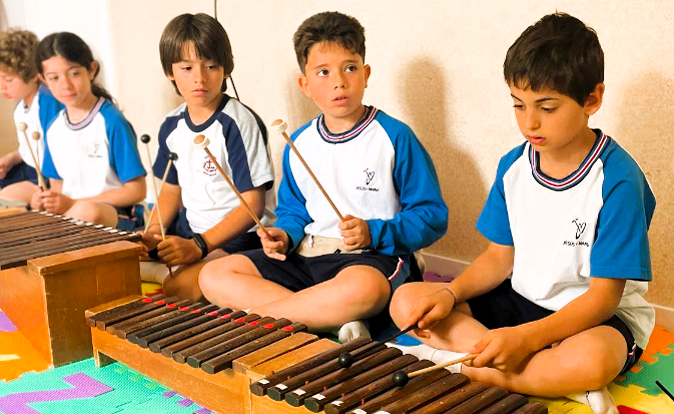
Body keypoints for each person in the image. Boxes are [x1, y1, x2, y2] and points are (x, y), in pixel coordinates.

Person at [389, 12, 655, 414]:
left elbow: (604, 298)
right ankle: (540, 378)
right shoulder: (514, 167)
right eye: (518, 104)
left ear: (592, 99)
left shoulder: (618, 181)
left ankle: (474, 367)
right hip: (521, 301)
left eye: (546, 107)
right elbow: (499, 258)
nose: (529, 122)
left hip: (593, 318)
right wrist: (450, 293)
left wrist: (526, 338)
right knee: (408, 300)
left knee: (594, 360)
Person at [199, 11, 448, 342]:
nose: (339, 81)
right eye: (323, 72)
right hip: (307, 258)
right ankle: (327, 320)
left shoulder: (394, 137)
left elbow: (432, 216)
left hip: (369, 260)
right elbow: (293, 212)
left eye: (350, 68)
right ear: (305, 84)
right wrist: (284, 236)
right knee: (214, 274)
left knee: (365, 288)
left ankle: (270, 321)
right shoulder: (297, 142)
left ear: (366, 73)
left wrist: (374, 232)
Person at [140, 13, 275, 302]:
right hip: (194, 235)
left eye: (210, 66)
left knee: (177, 289)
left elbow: (254, 204)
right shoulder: (171, 124)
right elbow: (170, 191)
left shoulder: (238, 123)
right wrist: (154, 229)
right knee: (119, 270)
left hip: (241, 240)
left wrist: (200, 246)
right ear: (170, 72)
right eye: (186, 67)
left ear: (226, 68)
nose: (199, 78)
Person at [31, 32, 146, 228]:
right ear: (43, 81)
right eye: (54, 78)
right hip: (73, 213)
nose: (65, 85)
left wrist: (75, 204)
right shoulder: (54, 127)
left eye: (74, 73)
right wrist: (44, 201)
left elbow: (137, 191)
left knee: (87, 212)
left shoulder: (111, 121)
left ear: (91, 70)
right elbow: (57, 187)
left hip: (116, 214)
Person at [0, 28, 61, 203]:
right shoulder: (20, 107)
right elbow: (33, 148)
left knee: (6, 198)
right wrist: (11, 159)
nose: (2, 86)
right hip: (30, 169)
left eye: (9, 80)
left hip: (51, 178)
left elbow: (55, 153)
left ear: (34, 75)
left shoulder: (47, 102)